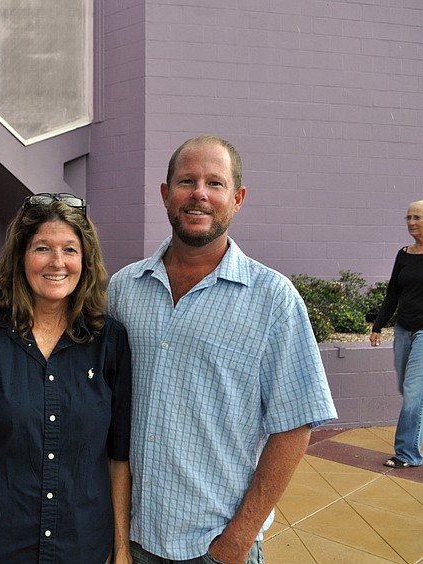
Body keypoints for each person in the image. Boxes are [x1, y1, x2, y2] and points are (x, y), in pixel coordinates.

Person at [108, 135, 337, 564]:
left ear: (238, 198)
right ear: (165, 194)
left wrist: (239, 538)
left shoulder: (273, 299)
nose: (199, 194)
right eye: (186, 181)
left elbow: (295, 426)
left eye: (215, 183)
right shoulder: (124, 289)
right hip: (130, 539)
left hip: (215, 546)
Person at [0, 193, 133, 564]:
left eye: (70, 250)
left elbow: (117, 458)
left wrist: (121, 550)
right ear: (21, 258)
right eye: (42, 248)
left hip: (83, 547)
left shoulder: (110, 341)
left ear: (85, 261)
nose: (57, 262)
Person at [369, 200, 423, 469]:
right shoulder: (403, 254)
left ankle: (407, 453)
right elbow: (392, 293)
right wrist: (378, 325)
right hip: (404, 331)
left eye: (418, 217)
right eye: (409, 217)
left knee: (414, 393)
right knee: (410, 390)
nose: (412, 222)